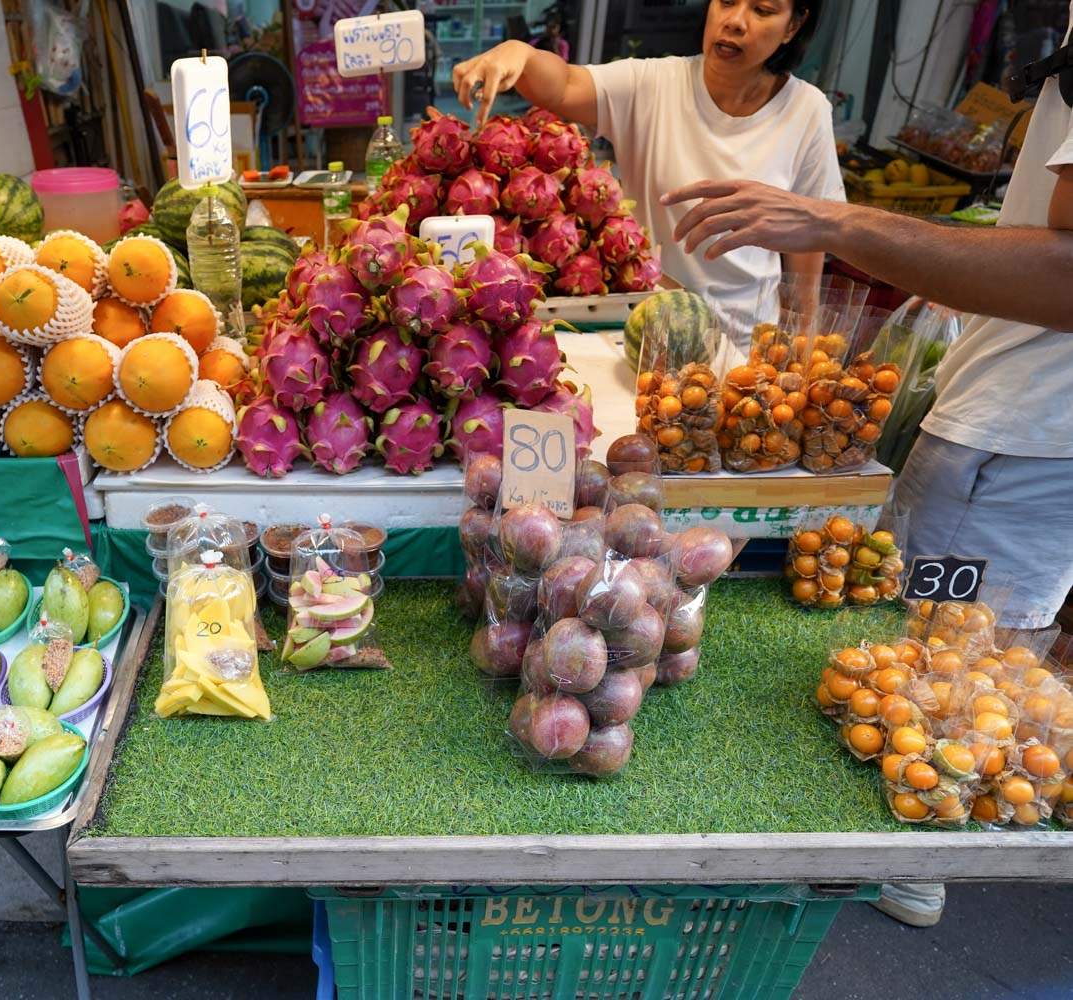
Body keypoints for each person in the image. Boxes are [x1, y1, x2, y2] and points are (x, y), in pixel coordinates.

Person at [664, 3, 1073, 929]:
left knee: (946, 635)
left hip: (1021, 444)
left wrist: (845, 225)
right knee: (960, 632)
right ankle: (918, 828)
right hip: (1030, 437)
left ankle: (914, 850)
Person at [452, 0, 838, 326]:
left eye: (762, 9)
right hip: (649, 330)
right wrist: (521, 52)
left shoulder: (807, 111)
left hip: (748, 341)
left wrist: (801, 339)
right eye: (726, 1)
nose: (734, 21)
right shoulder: (653, 84)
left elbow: (810, 237)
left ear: (794, 25)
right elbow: (564, 85)